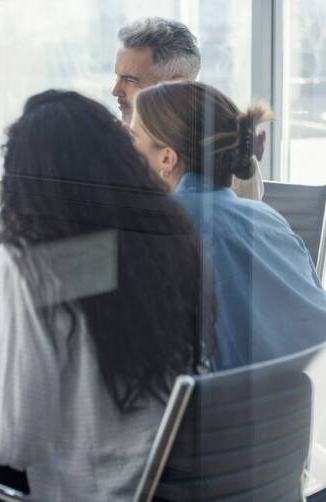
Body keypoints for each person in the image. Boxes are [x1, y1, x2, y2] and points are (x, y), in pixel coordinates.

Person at [0, 90, 213, 500]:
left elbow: (5, 441)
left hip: (86, 490)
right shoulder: (162, 240)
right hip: (155, 485)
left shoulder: (27, 264)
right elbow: (80, 355)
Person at [0, 17, 263, 268]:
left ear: (177, 84)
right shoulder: (112, 143)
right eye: (116, 76)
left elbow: (157, 261)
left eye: (131, 80)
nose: (115, 90)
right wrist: (22, 247)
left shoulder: (226, 156)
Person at [130, 80, 326, 369]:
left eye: (133, 138)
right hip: (312, 397)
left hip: (244, 405)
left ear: (167, 158)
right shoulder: (267, 217)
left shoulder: (168, 229)